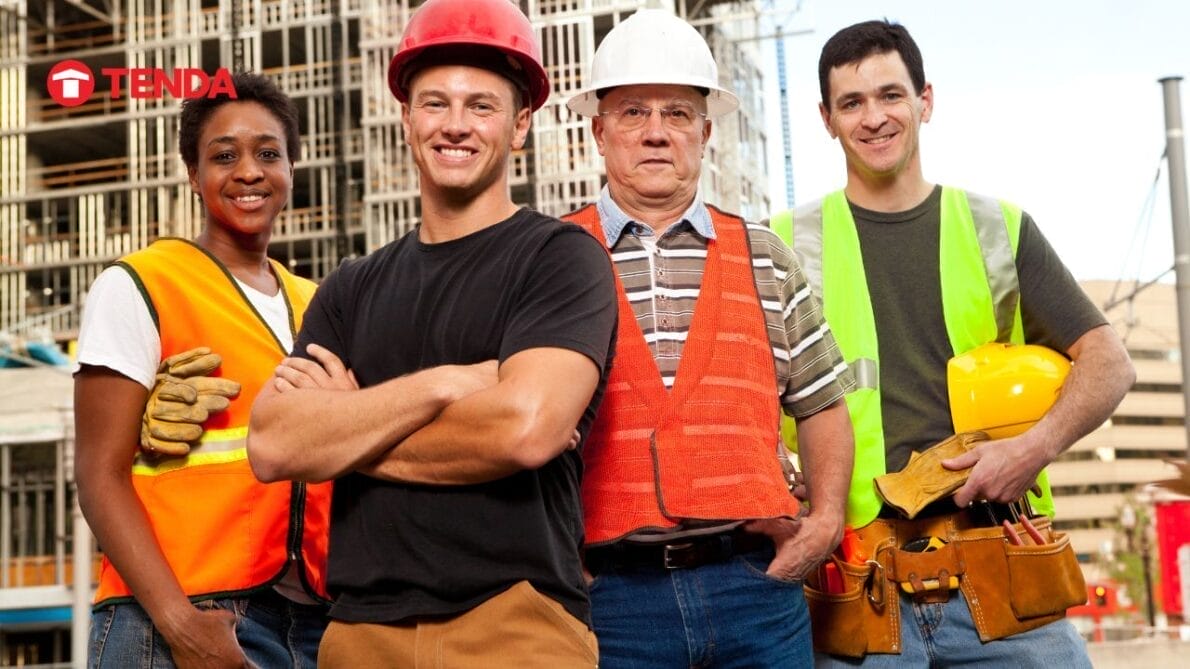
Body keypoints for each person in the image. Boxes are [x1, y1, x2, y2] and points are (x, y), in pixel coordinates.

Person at [245, 0, 617, 666]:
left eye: (481, 106)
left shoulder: (561, 258)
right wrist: (449, 383)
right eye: (435, 103)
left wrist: (346, 429)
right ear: (407, 119)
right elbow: (274, 444)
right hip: (358, 634)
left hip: (516, 623)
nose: (455, 125)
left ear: (521, 124)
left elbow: (524, 428)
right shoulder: (351, 287)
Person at [768, 20, 1136, 667]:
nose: (874, 117)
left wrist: (1033, 447)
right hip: (859, 584)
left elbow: (1110, 362)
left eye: (890, 95)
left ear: (925, 100)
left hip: (1002, 572)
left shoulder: (997, 227)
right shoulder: (782, 245)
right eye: (851, 102)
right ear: (826, 119)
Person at [561, 9, 855, 667]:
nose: (657, 133)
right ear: (599, 132)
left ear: (707, 131)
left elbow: (822, 403)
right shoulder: (549, 257)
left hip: (755, 589)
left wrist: (826, 521)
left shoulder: (766, 256)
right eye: (633, 112)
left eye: (678, 113)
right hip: (608, 600)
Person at [74, 72, 331, 668]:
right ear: (193, 174)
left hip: (306, 623)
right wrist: (181, 627)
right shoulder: (142, 284)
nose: (248, 172)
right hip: (173, 616)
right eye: (224, 156)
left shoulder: (316, 305)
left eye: (268, 153)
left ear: (291, 167)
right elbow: (97, 473)